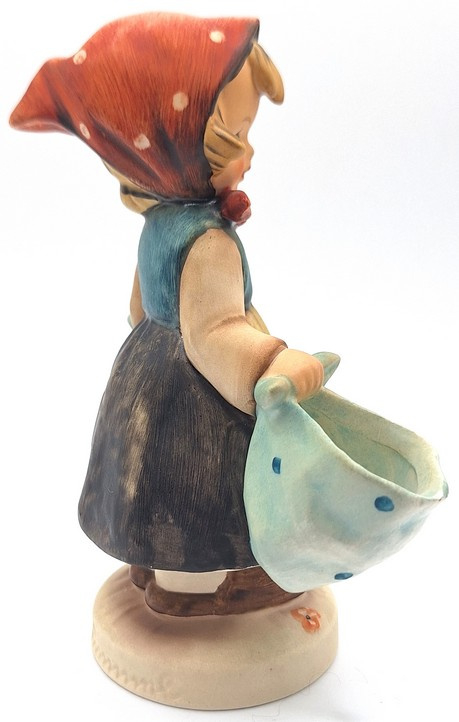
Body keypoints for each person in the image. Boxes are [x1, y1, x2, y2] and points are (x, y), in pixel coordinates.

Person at [10, 13, 323, 609]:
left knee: (151, 482)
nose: (251, 153)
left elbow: (139, 306)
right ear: (179, 150)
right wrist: (273, 364)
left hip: (148, 367)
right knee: (198, 488)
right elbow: (212, 334)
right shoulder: (207, 241)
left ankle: (151, 566)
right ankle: (195, 588)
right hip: (198, 384)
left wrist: (149, 359)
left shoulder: (159, 224)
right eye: (239, 135)